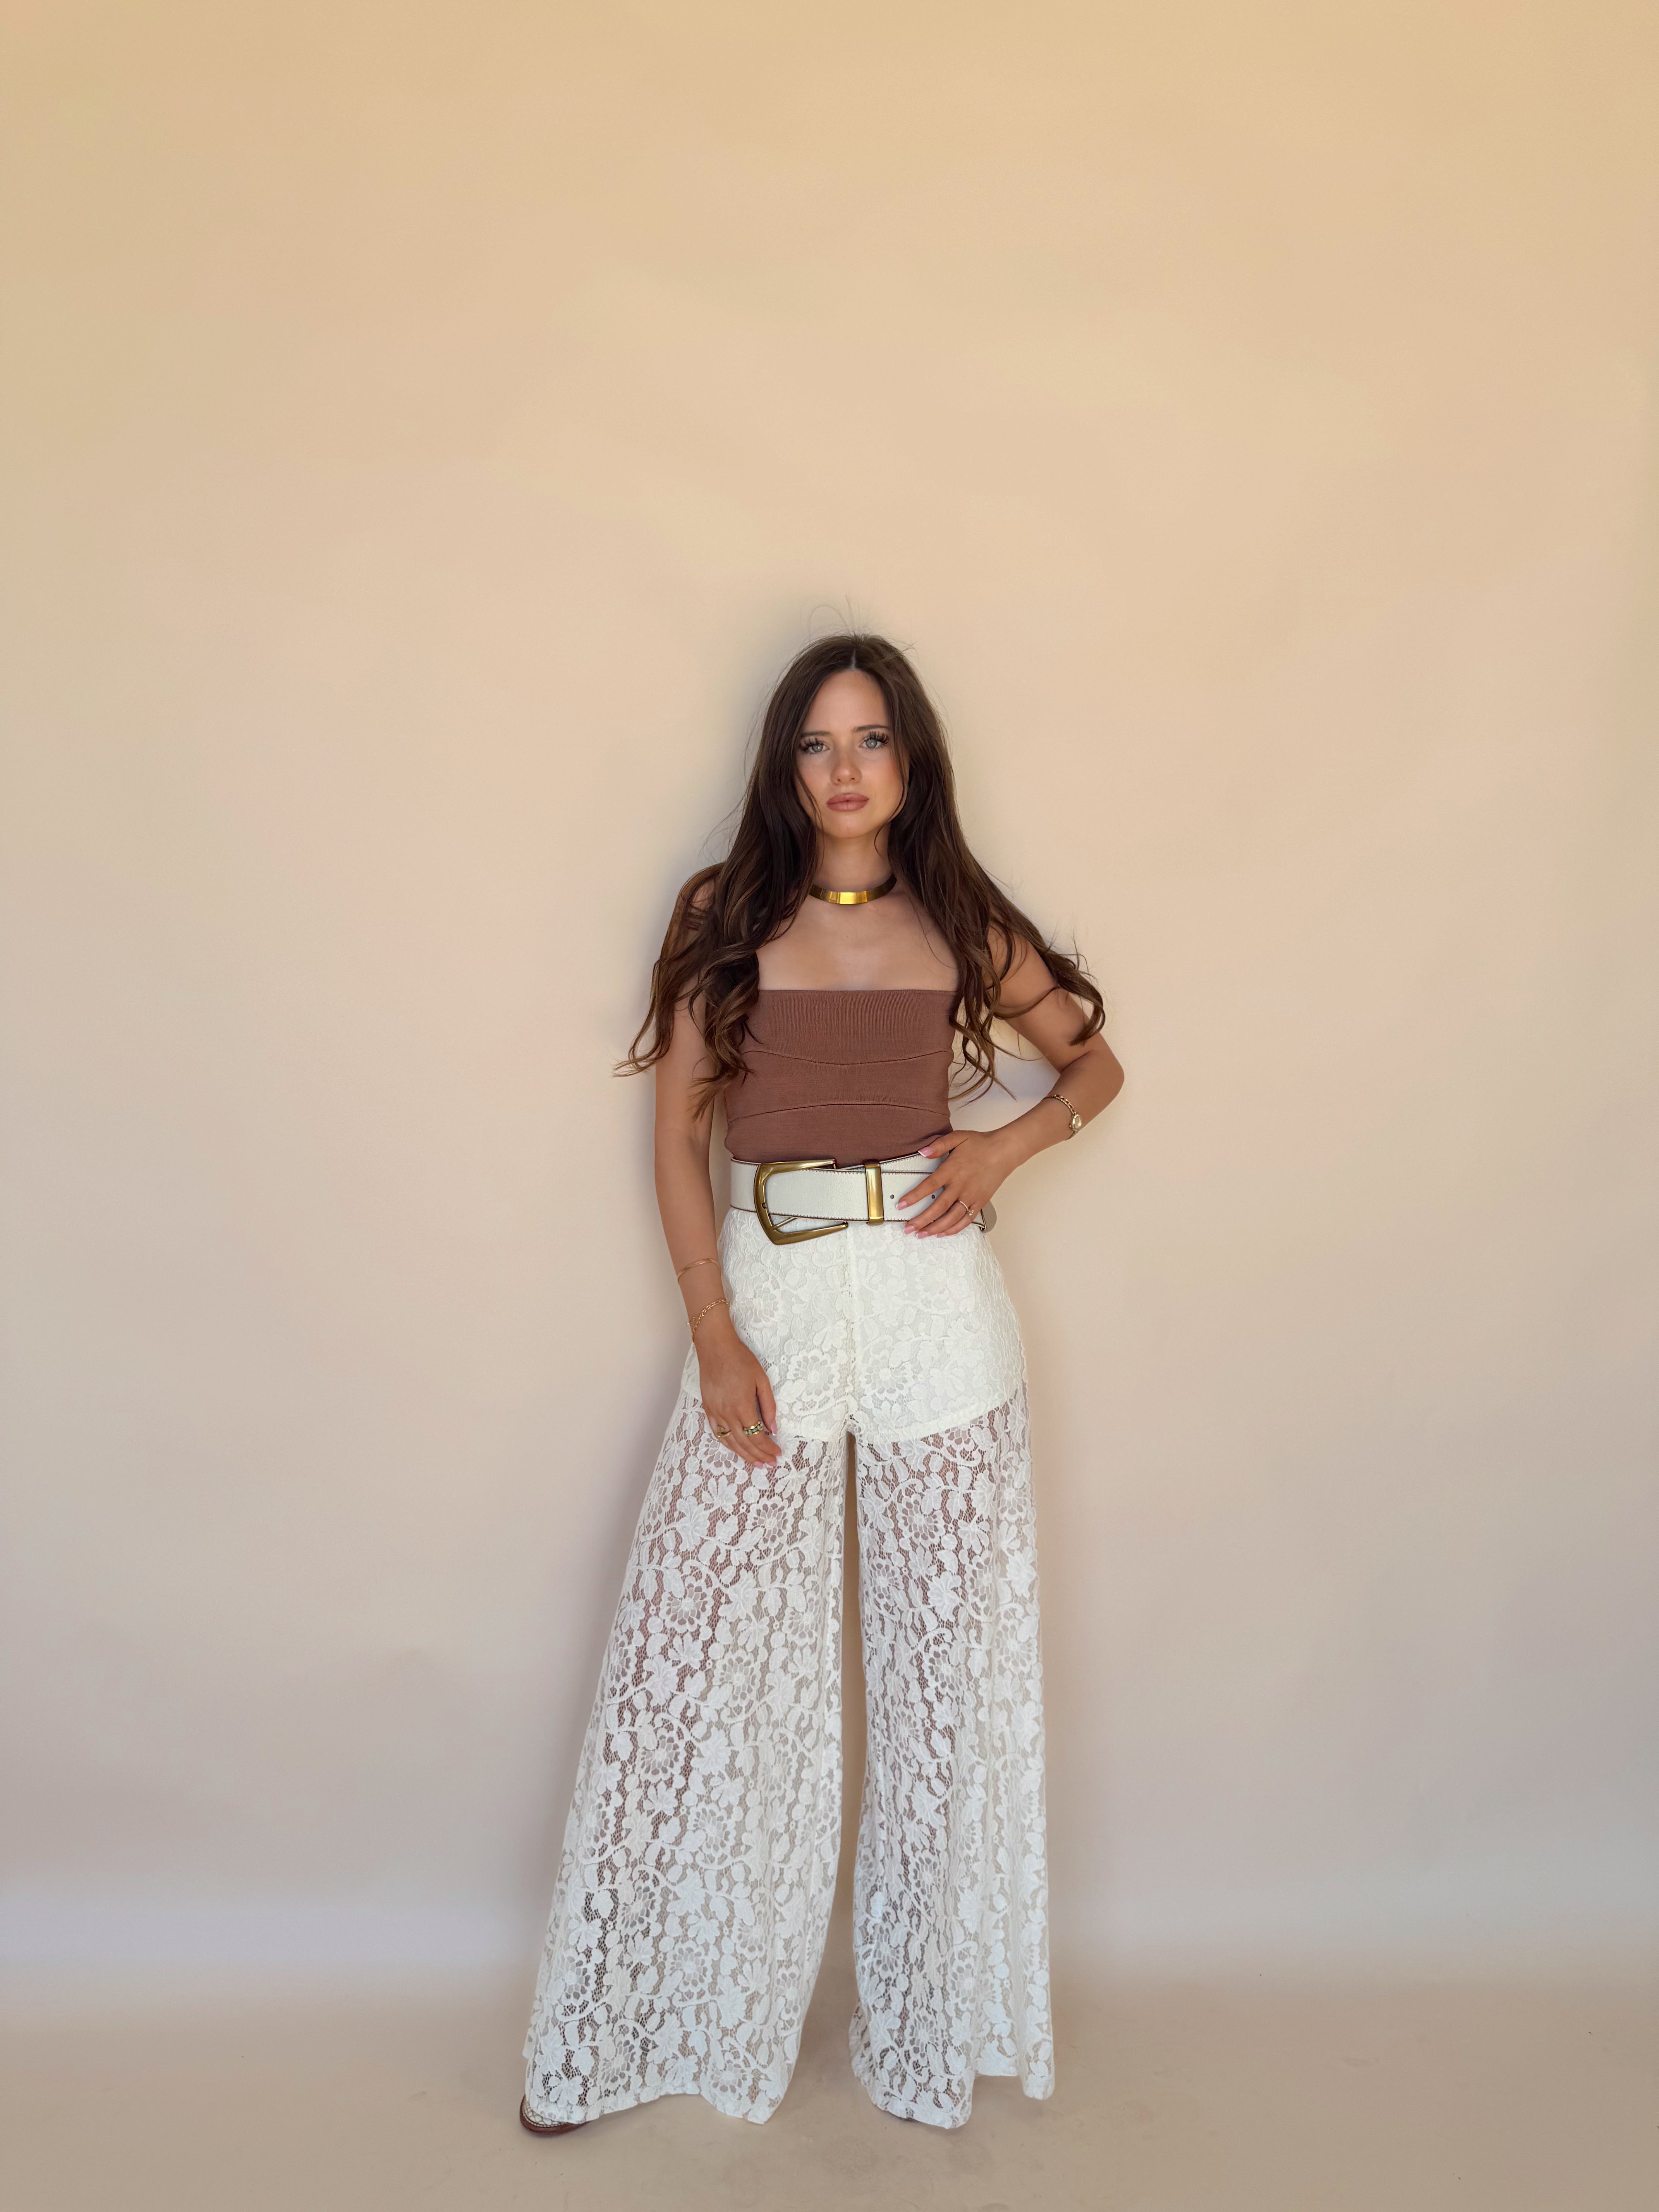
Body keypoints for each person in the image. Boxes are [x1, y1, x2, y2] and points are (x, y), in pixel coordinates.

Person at [520, 633, 1124, 2134]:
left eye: (870, 740)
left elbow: (1094, 1067)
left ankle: (927, 2039)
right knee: (697, 1661)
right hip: (774, 1298)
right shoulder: (722, 914)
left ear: (910, 760)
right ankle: (634, 2029)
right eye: (816, 742)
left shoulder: (961, 918)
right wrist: (714, 1334)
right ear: (784, 765)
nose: (844, 769)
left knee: (947, 1683)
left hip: (936, 1310)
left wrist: (1004, 1147)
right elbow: (677, 1137)